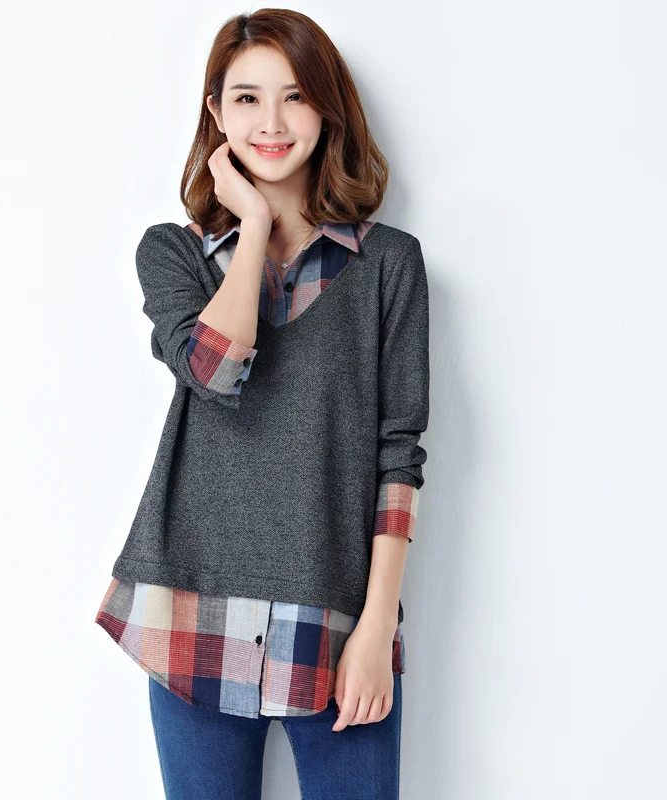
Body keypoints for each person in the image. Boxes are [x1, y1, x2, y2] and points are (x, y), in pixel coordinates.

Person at [95, 8, 430, 799]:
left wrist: (378, 625)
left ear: (327, 108)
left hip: (336, 627)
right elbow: (215, 371)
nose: (272, 123)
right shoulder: (172, 254)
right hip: (191, 622)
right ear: (216, 113)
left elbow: (399, 456)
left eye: (295, 96)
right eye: (247, 99)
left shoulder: (388, 265)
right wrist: (251, 224)